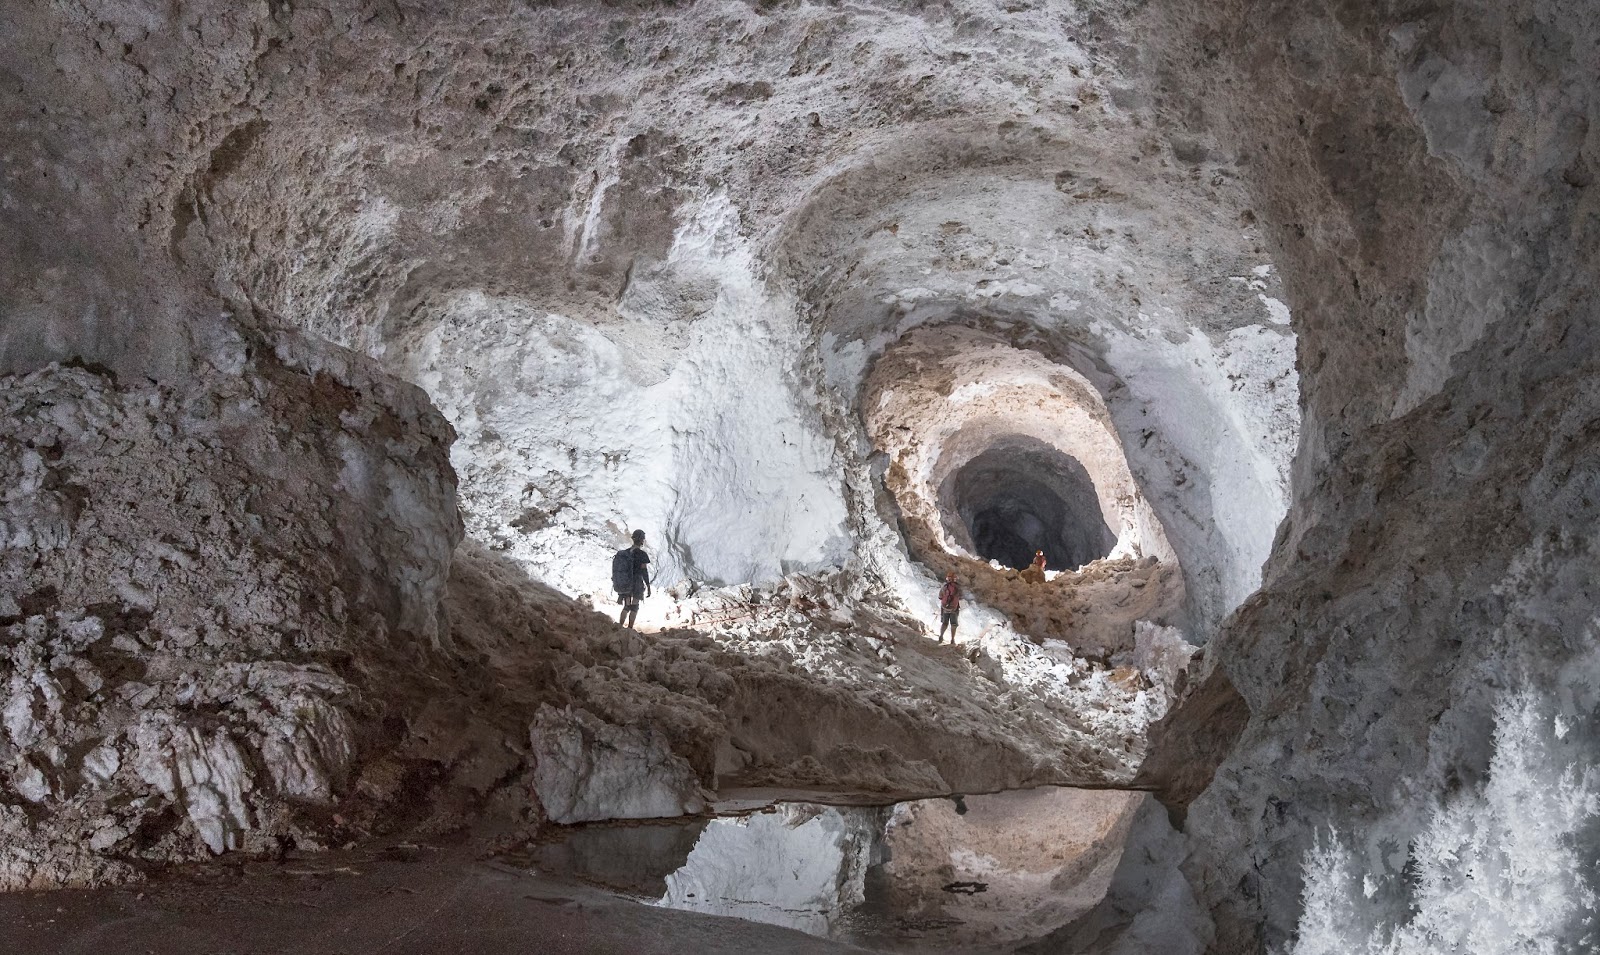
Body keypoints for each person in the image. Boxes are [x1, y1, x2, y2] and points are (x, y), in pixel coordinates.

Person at [612, 529, 652, 629]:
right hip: (637, 583)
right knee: (634, 607)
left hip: (626, 582)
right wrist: (648, 585)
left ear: (633, 539)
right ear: (642, 540)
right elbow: (644, 571)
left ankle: (620, 627)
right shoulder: (642, 554)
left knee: (626, 606)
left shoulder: (625, 553)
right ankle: (629, 629)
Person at [937, 571, 961, 644]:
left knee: (944, 623)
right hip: (954, 608)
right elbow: (961, 596)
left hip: (944, 608)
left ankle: (941, 636)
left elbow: (940, 597)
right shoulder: (958, 587)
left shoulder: (944, 587)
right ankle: (952, 639)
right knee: (954, 624)